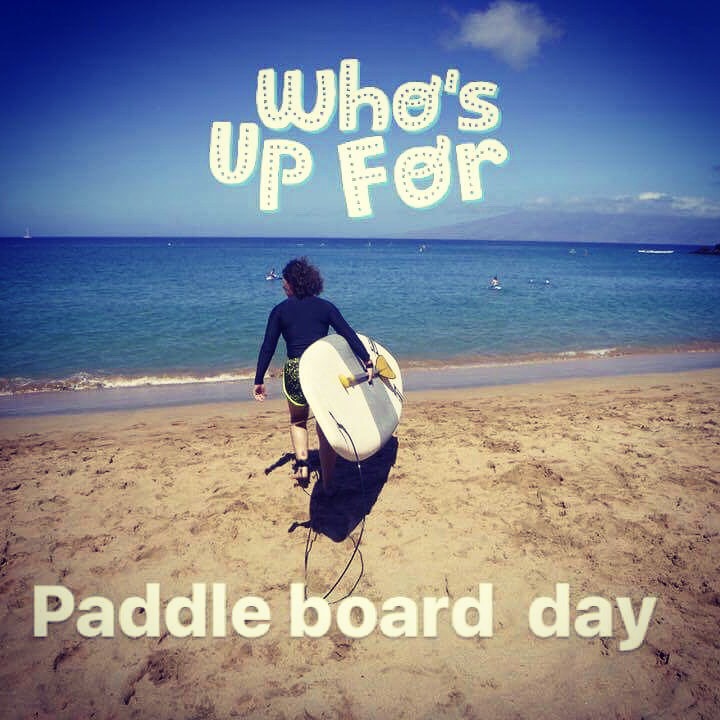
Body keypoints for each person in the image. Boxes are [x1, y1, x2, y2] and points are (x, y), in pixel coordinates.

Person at [253, 257, 373, 491]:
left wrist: (259, 379)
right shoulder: (325, 307)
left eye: (285, 281)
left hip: (295, 372)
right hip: (320, 371)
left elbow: (268, 347)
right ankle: (328, 483)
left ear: (292, 283)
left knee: (298, 421)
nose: (282, 285)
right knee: (325, 426)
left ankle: (302, 468)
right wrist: (366, 359)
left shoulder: (279, 310)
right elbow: (348, 334)